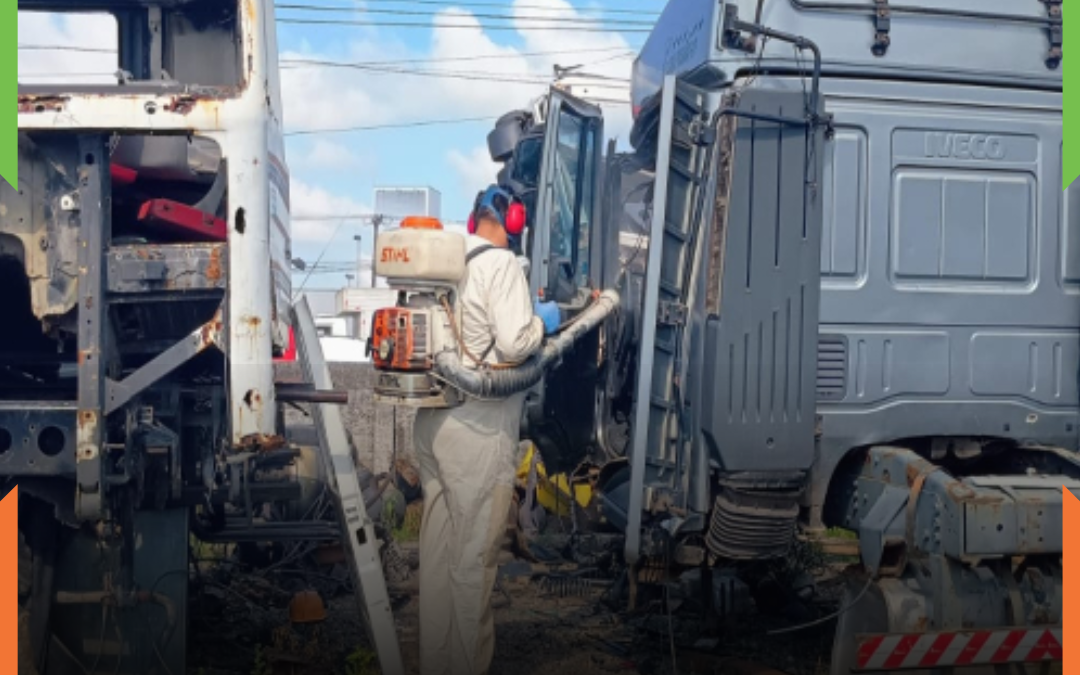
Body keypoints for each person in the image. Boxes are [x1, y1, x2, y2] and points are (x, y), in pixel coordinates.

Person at [413, 185, 560, 675]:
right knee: (472, 565)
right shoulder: (501, 265)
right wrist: (544, 320)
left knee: (437, 559)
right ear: (514, 218)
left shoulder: (447, 262)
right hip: (477, 432)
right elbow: (516, 343)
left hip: (433, 425)